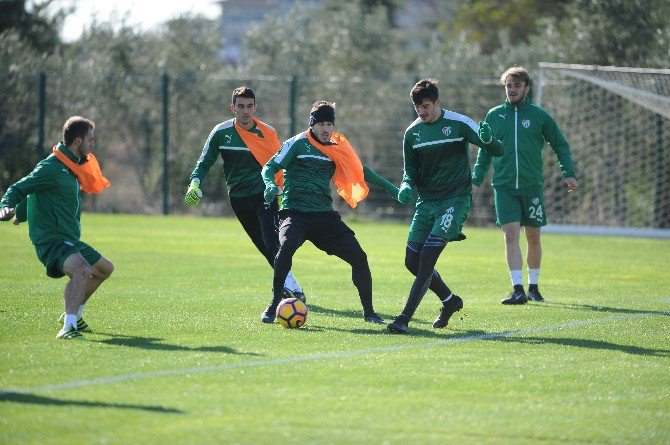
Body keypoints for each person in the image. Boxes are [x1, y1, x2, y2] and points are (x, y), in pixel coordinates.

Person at [260, 100, 403, 325]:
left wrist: (391, 188)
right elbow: (269, 167)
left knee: (359, 257)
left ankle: (370, 313)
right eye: (322, 124)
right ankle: (274, 303)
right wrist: (269, 184)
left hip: (324, 216)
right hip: (295, 212)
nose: (326, 129)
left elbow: (360, 169)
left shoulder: (337, 147)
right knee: (286, 247)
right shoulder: (297, 143)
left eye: (330, 124)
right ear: (312, 125)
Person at [387, 78, 504, 334]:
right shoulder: (412, 133)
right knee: (411, 261)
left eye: (426, 106)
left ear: (438, 102)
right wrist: (406, 186)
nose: (422, 112)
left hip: (455, 200)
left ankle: (403, 318)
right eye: (417, 107)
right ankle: (451, 301)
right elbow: (411, 172)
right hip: (427, 203)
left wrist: (489, 139)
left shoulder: (459, 123)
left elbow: (498, 149)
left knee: (427, 258)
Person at [185, 86, 305, 301]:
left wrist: (284, 189)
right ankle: (291, 285)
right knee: (262, 245)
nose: (245, 112)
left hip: (264, 194)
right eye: (241, 106)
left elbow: (281, 164)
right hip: (238, 199)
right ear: (233, 107)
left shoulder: (267, 133)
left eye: (250, 106)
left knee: (271, 241)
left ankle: (291, 289)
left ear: (255, 107)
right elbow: (204, 163)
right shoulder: (221, 133)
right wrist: (194, 184)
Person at [0, 116, 114, 340]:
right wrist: (6, 206)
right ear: (78, 141)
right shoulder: (51, 167)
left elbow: (37, 192)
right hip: (51, 240)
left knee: (104, 269)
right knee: (81, 270)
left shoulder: (71, 167)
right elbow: (20, 187)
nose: (93, 145)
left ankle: (75, 316)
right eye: (91, 140)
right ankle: (68, 327)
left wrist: (21, 213)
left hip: (69, 239)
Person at [472, 66, 578, 305]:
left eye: (517, 85)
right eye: (508, 85)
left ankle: (534, 287)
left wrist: (568, 174)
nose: (512, 90)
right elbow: (484, 152)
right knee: (510, 235)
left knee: (533, 236)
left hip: (531, 187)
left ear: (527, 88)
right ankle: (517, 288)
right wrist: (475, 180)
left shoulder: (539, 116)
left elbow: (560, 145)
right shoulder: (494, 115)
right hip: (504, 186)